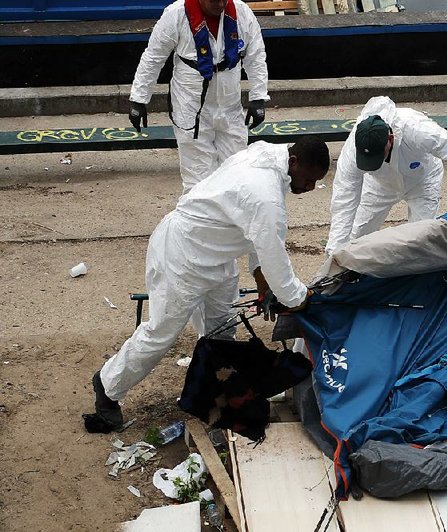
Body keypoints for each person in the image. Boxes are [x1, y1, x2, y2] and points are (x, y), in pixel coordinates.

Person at [83, 138, 330, 433]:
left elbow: (255, 231)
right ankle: (108, 386)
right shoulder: (266, 195)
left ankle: (215, 394)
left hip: (216, 254)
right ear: (293, 162)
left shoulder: (266, 156)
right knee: (161, 333)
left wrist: (261, 278)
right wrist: (298, 297)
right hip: (182, 254)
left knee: (222, 329)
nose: (310, 187)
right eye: (308, 179)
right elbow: (273, 251)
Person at [128, 0, 269, 194]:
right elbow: (154, 56)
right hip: (190, 107)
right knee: (199, 181)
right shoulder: (176, 14)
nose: (219, 4)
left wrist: (258, 96)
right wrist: (138, 99)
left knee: (237, 174)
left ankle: (229, 223)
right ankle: (199, 221)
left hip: (230, 106)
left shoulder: (241, 12)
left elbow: (256, 55)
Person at [326, 96, 447, 255]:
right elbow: (344, 200)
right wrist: (334, 250)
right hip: (378, 185)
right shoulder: (351, 152)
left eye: (377, 156)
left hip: (423, 181)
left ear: (390, 139)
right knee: (357, 237)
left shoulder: (416, 129)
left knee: (420, 242)